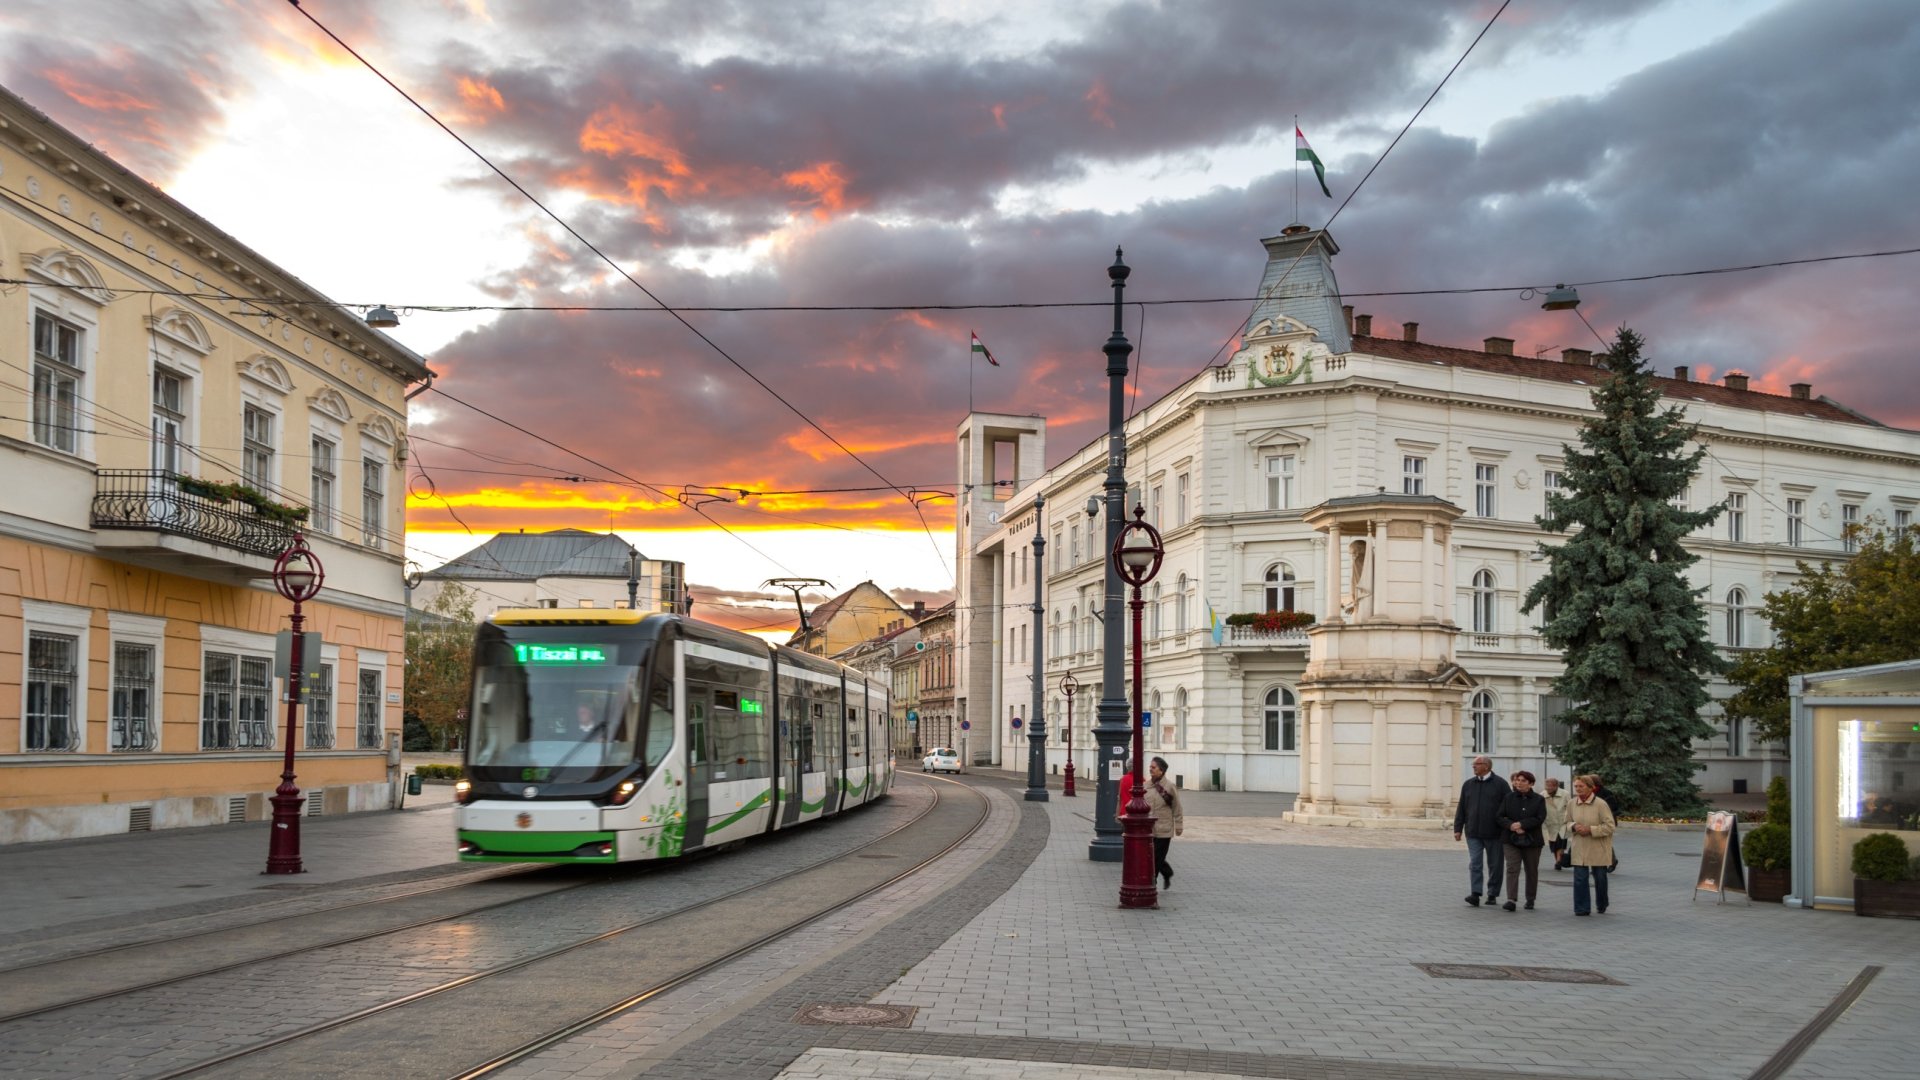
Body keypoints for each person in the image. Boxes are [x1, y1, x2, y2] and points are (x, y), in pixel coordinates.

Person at [1453, 755, 1512, 908]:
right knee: (1475, 863)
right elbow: (1462, 807)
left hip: (1495, 832)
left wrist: (1507, 827)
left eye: (1476, 764)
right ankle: (1475, 893)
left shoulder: (1500, 784)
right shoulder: (1468, 784)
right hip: (1473, 832)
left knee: (1495, 864)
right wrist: (1457, 828)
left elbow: (1509, 808)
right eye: (1473, 765)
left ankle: (1492, 893)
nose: (1473, 767)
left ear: (1486, 766)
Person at [1496, 770, 1547, 911]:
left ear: (1531, 783)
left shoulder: (1538, 799)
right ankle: (1511, 899)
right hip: (1511, 839)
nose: (1519, 783)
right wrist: (1511, 825)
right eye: (1517, 780)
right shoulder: (1509, 797)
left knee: (1531, 870)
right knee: (1512, 868)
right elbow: (1500, 816)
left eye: (1523, 781)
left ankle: (1530, 898)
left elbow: (1540, 817)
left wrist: (1523, 824)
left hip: (1532, 840)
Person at [1568, 773, 1617, 916]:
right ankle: (1582, 908)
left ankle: (1602, 903)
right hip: (1580, 847)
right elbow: (1565, 823)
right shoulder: (1572, 803)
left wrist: (1590, 829)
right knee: (1580, 878)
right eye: (1576, 786)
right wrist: (1573, 826)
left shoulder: (1601, 804)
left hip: (1598, 847)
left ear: (1591, 788)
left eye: (1581, 786)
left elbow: (1610, 826)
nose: (1578, 789)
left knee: (1600, 877)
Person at [1142, 756, 1185, 890]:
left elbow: (1177, 806)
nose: (1150, 769)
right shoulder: (1145, 786)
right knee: (1151, 856)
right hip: (1148, 828)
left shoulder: (1169, 786)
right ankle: (1167, 873)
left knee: (1157, 856)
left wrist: (1178, 825)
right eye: (1150, 767)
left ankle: (1152, 881)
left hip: (1164, 828)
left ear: (1162, 770)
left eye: (1153, 767)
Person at [1591, 775, 1621, 873]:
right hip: (1593, 822)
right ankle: (1599, 865)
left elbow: (1614, 808)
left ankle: (1609, 862)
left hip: (1606, 822)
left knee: (1604, 843)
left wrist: (1604, 816)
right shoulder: (1589, 793)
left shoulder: (1606, 793)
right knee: (1595, 844)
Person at [1542, 776, 1572, 871]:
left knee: (1561, 843)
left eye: (1550, 786)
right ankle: (1558, 860)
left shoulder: (1565, 794)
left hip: (1562, 822)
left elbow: (1570, 807)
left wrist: (1569, 819)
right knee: (1554, 844)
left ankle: (1559, 861)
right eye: (1547, 786)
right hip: (1550, 823)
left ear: (1556, 786)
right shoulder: (1542, 795)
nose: (1548, 788)